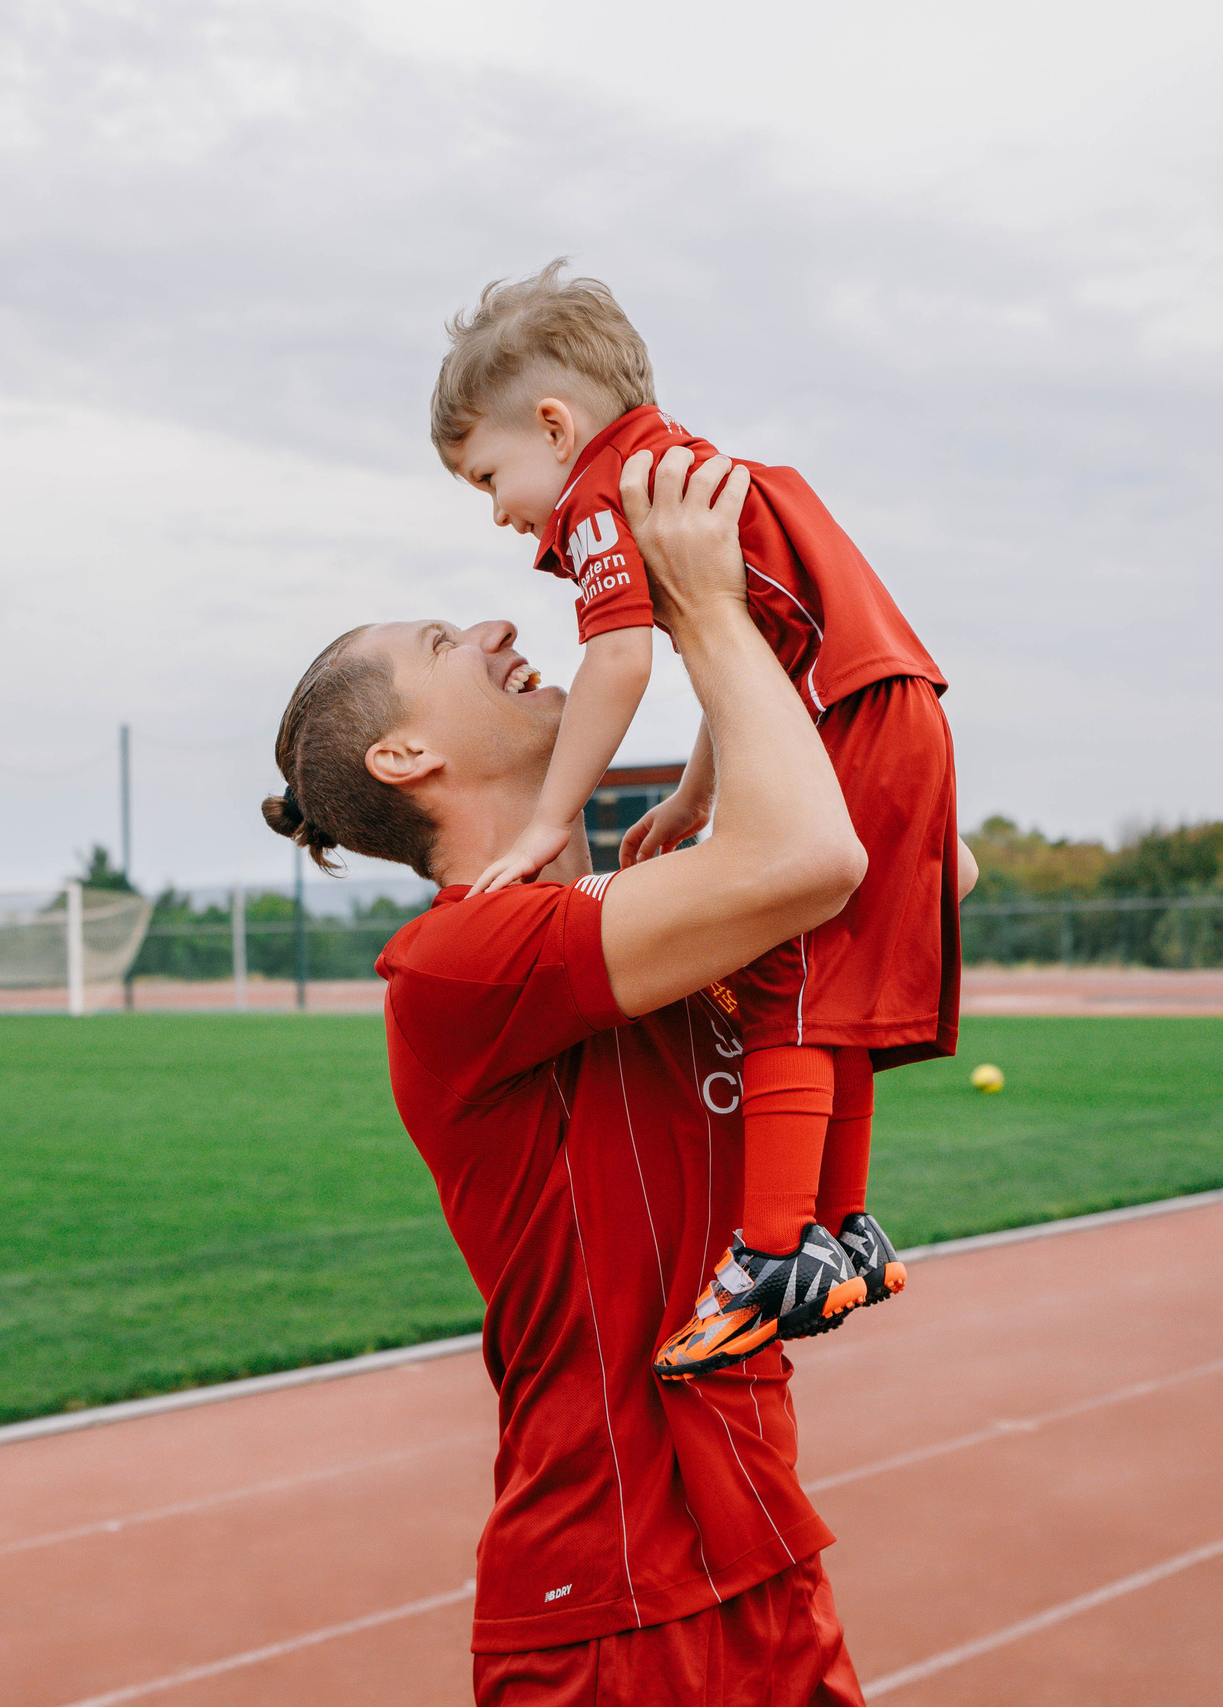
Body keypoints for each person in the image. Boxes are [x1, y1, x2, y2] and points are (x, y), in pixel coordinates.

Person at [264, 447, 896, 1704]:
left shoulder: (662, 922)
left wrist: (760, 608)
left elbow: (919, 864)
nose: (500, 622)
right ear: (401, 759)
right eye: (445, 640)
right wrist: (701, 607)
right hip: (604, 1599)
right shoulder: (457, 961)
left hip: (757, 1542)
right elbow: (822, 856)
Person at [429, 262, 969, 1379]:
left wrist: (548, 822)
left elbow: (618, 657)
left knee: (784, 981)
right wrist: (695, 794)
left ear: (552, 423)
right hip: (887, 705)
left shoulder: (606, 495)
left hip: (848, 715)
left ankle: (774, 1251)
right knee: (836, 976)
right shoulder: (691, 473)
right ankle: (844, 1228)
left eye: (488, 474)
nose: (496, 511)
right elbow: (757, 666)